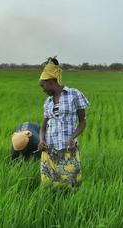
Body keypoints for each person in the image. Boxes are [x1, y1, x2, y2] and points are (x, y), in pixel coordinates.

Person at [38, 57, 90, 188]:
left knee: (71, 185)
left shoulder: (74, 94)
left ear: (51, 81)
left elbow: (82, 122)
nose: (42, 89)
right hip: (49, 151)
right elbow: (43, 127)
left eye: (42, 85)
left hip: (68, 148)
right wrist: (41, 140)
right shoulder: (48, 102)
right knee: (48, 185)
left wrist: (72, 138)